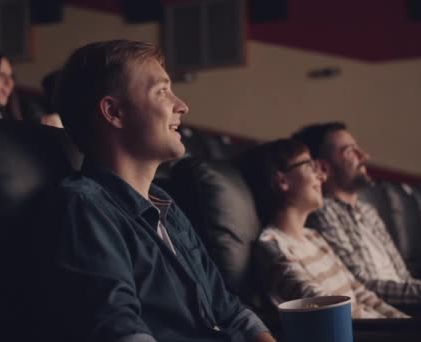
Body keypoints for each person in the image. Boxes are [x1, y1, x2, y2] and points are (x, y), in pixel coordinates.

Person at [52, 40, 275, 342]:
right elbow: (121, 332)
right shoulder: (85, 206)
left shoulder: (165, 206)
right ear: (114, 111)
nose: (182, 106)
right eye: (161, 91)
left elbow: (229, 310)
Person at [245, 139, 406, 318]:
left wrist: (405, 324)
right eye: (311, 166)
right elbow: (326, 307)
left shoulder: (314, 237)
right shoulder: (271, 246)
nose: (321, 177)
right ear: (283, 181)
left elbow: (362, 294)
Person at [291, 122, 421, 305]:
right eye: (350, 151)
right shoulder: (323, 212)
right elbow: (360, 286)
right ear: (323, 167)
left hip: (413, 304)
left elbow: (403, 277)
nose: (364, 156)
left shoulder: (368, 211)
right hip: (386, 314)